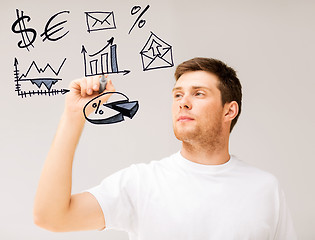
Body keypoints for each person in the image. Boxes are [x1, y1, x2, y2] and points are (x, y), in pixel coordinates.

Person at [34, 57, 297, 240]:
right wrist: (73, 115)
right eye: (178, 94)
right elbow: (51, 217)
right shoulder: (141, 183)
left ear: (229, 110)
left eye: (199, 93)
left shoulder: (265, 188)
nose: (183, 102)